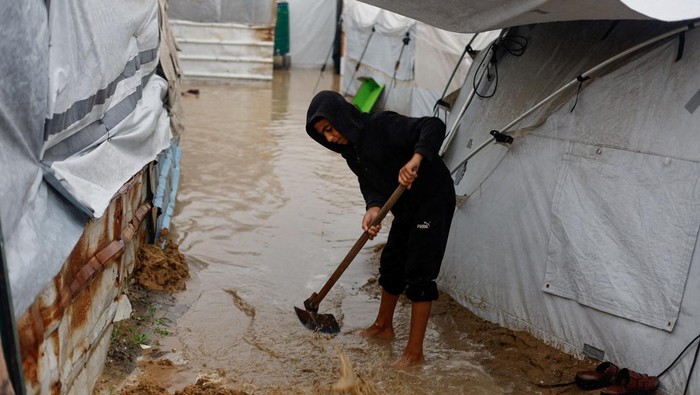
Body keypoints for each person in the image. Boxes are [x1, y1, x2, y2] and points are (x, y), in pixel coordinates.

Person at [305, 90, 456, 368]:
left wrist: (416, 159)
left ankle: (414, 353)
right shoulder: (350, 152)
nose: (329, 138)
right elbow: (370, 183)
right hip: (405, 206)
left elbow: (433, 126)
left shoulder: (382, 125)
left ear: (341, 117)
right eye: (322, 135)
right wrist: (373, 208)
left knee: (419, 274)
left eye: (329, 129)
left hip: (432, 199)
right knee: (391, 263)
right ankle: (383, 326)